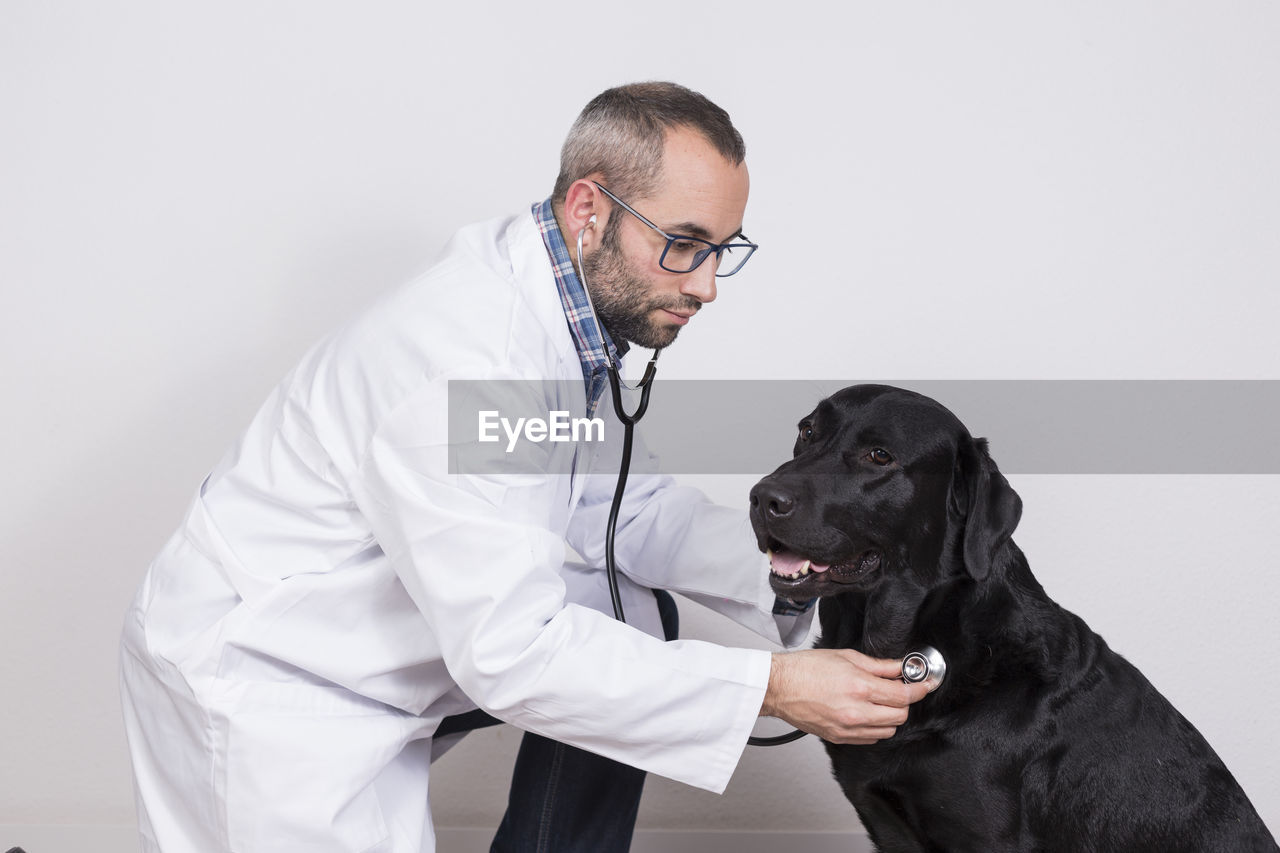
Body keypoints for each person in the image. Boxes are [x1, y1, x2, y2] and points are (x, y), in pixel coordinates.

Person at [119, 81, 929, 852]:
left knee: (627, 610)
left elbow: (629, 509)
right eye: (684, 246)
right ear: (589, 208)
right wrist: (774, 686)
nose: (708, 286)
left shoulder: (565, 312)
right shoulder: (468, 363)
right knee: (576, 640)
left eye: (723, 250)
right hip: (271, 683)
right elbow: (513, 652)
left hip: (388, 638)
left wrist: (820, 582)